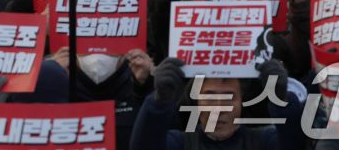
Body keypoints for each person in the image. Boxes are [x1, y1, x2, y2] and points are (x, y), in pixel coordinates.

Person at [130, 57, 306, 150]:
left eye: (229, 97)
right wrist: (159, 102)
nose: (220, 108)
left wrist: (282, 101)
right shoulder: (179, 143)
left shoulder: (264, 141)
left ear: (242, 102)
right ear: (196, 102)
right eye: (210, 97)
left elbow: (294, 145)